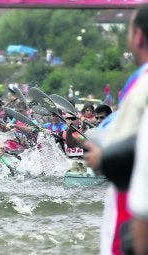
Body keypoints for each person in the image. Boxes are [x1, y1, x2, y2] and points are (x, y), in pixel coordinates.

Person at [82, 5, 148, 255]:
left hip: (133, 214)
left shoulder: (143, 84)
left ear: (138, 36)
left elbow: (140, 153)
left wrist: (104, 158)